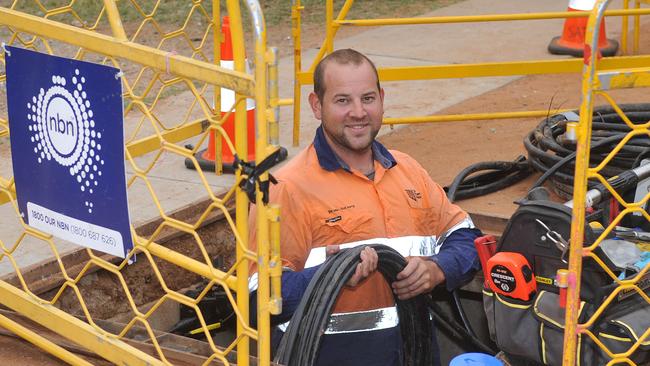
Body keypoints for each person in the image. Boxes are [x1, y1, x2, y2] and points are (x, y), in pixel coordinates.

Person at [249, 48, 480, 366]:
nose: (358, 112)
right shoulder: (287, 187)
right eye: (342, 100)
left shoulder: (408, 170)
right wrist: (329, 276)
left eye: (368, 98)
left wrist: (437, 269)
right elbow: (254, 298)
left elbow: (467, 237)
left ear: (382, 99)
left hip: (414, 355)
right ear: (317, 105)